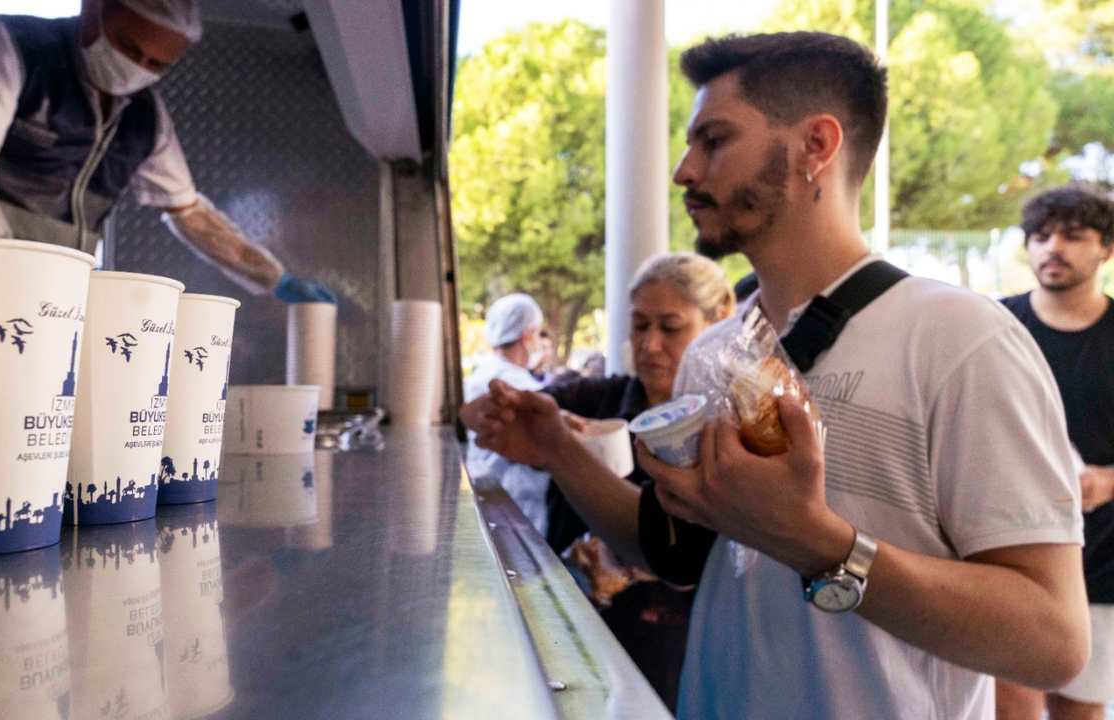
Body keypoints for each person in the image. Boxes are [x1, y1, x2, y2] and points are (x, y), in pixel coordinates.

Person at [462, 32, 1089, 720]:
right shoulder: (717, 351)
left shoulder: (960, 340)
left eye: (714, 140)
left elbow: (1053, 643)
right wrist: (556, 449)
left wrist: (819, 544)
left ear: (816, 147)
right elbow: (678, 554)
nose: (683, 170)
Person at [0, 0, 333, 304]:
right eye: (128, 46)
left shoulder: (145, 118)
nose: (137, 68)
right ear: (94, 9)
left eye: (158, 65)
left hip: (47, 293)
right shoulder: (12, 45)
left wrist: (274, 278)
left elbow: (190, 213)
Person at [543, 251, 734, 709]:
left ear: (719, 319)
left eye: (670, 327)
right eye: (639, 325)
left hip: (681, 652)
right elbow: (473, 416)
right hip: (576, 645)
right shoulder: (597, 400)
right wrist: (543, 425)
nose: (649, 345)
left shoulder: (726, 427)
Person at [998, 185, 1114, 720]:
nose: (1053, 249)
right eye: (1040, 237)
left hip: (1101, 567)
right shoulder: (993, 329)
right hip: (1002, 560)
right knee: (1008, 707)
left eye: (1073, 236)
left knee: (1080, 712)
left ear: (1106, 248)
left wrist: (1107, 482)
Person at [464, 293, 551, 533]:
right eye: (538, 332)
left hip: (494, 501)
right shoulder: (518, 386)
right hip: (518, 509)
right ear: (527, 335)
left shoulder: (483, 373)